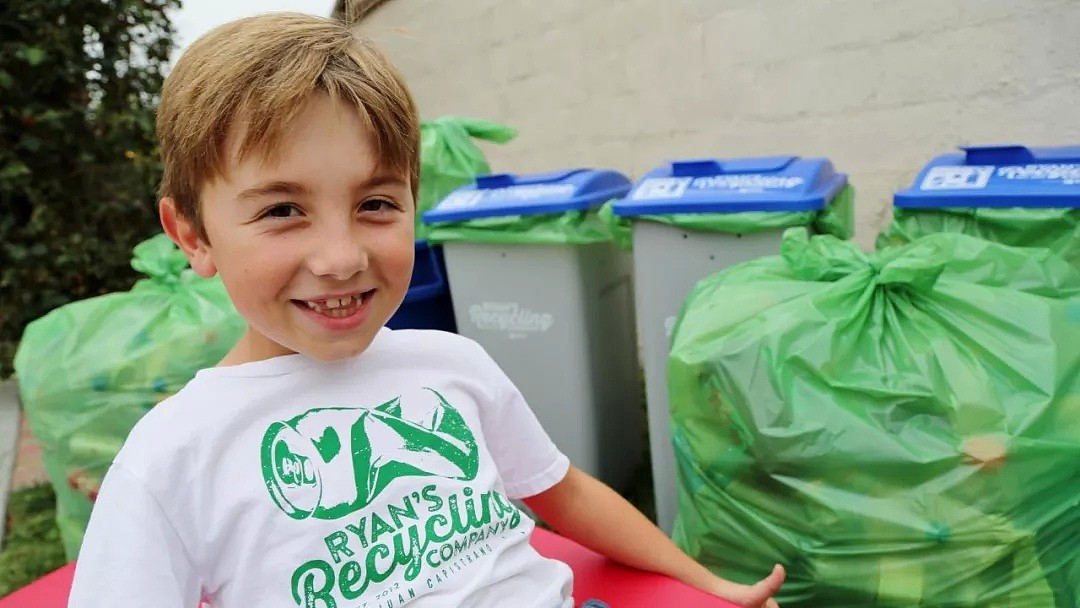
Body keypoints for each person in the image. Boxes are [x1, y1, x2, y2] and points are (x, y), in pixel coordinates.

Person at [68, 12, 785, 608]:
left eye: (375, 204)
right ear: (193, 234)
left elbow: (562, 491)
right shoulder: (171, 462)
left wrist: (703, 581)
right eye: (284, 210)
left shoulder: (451, 361)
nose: (342, 256)